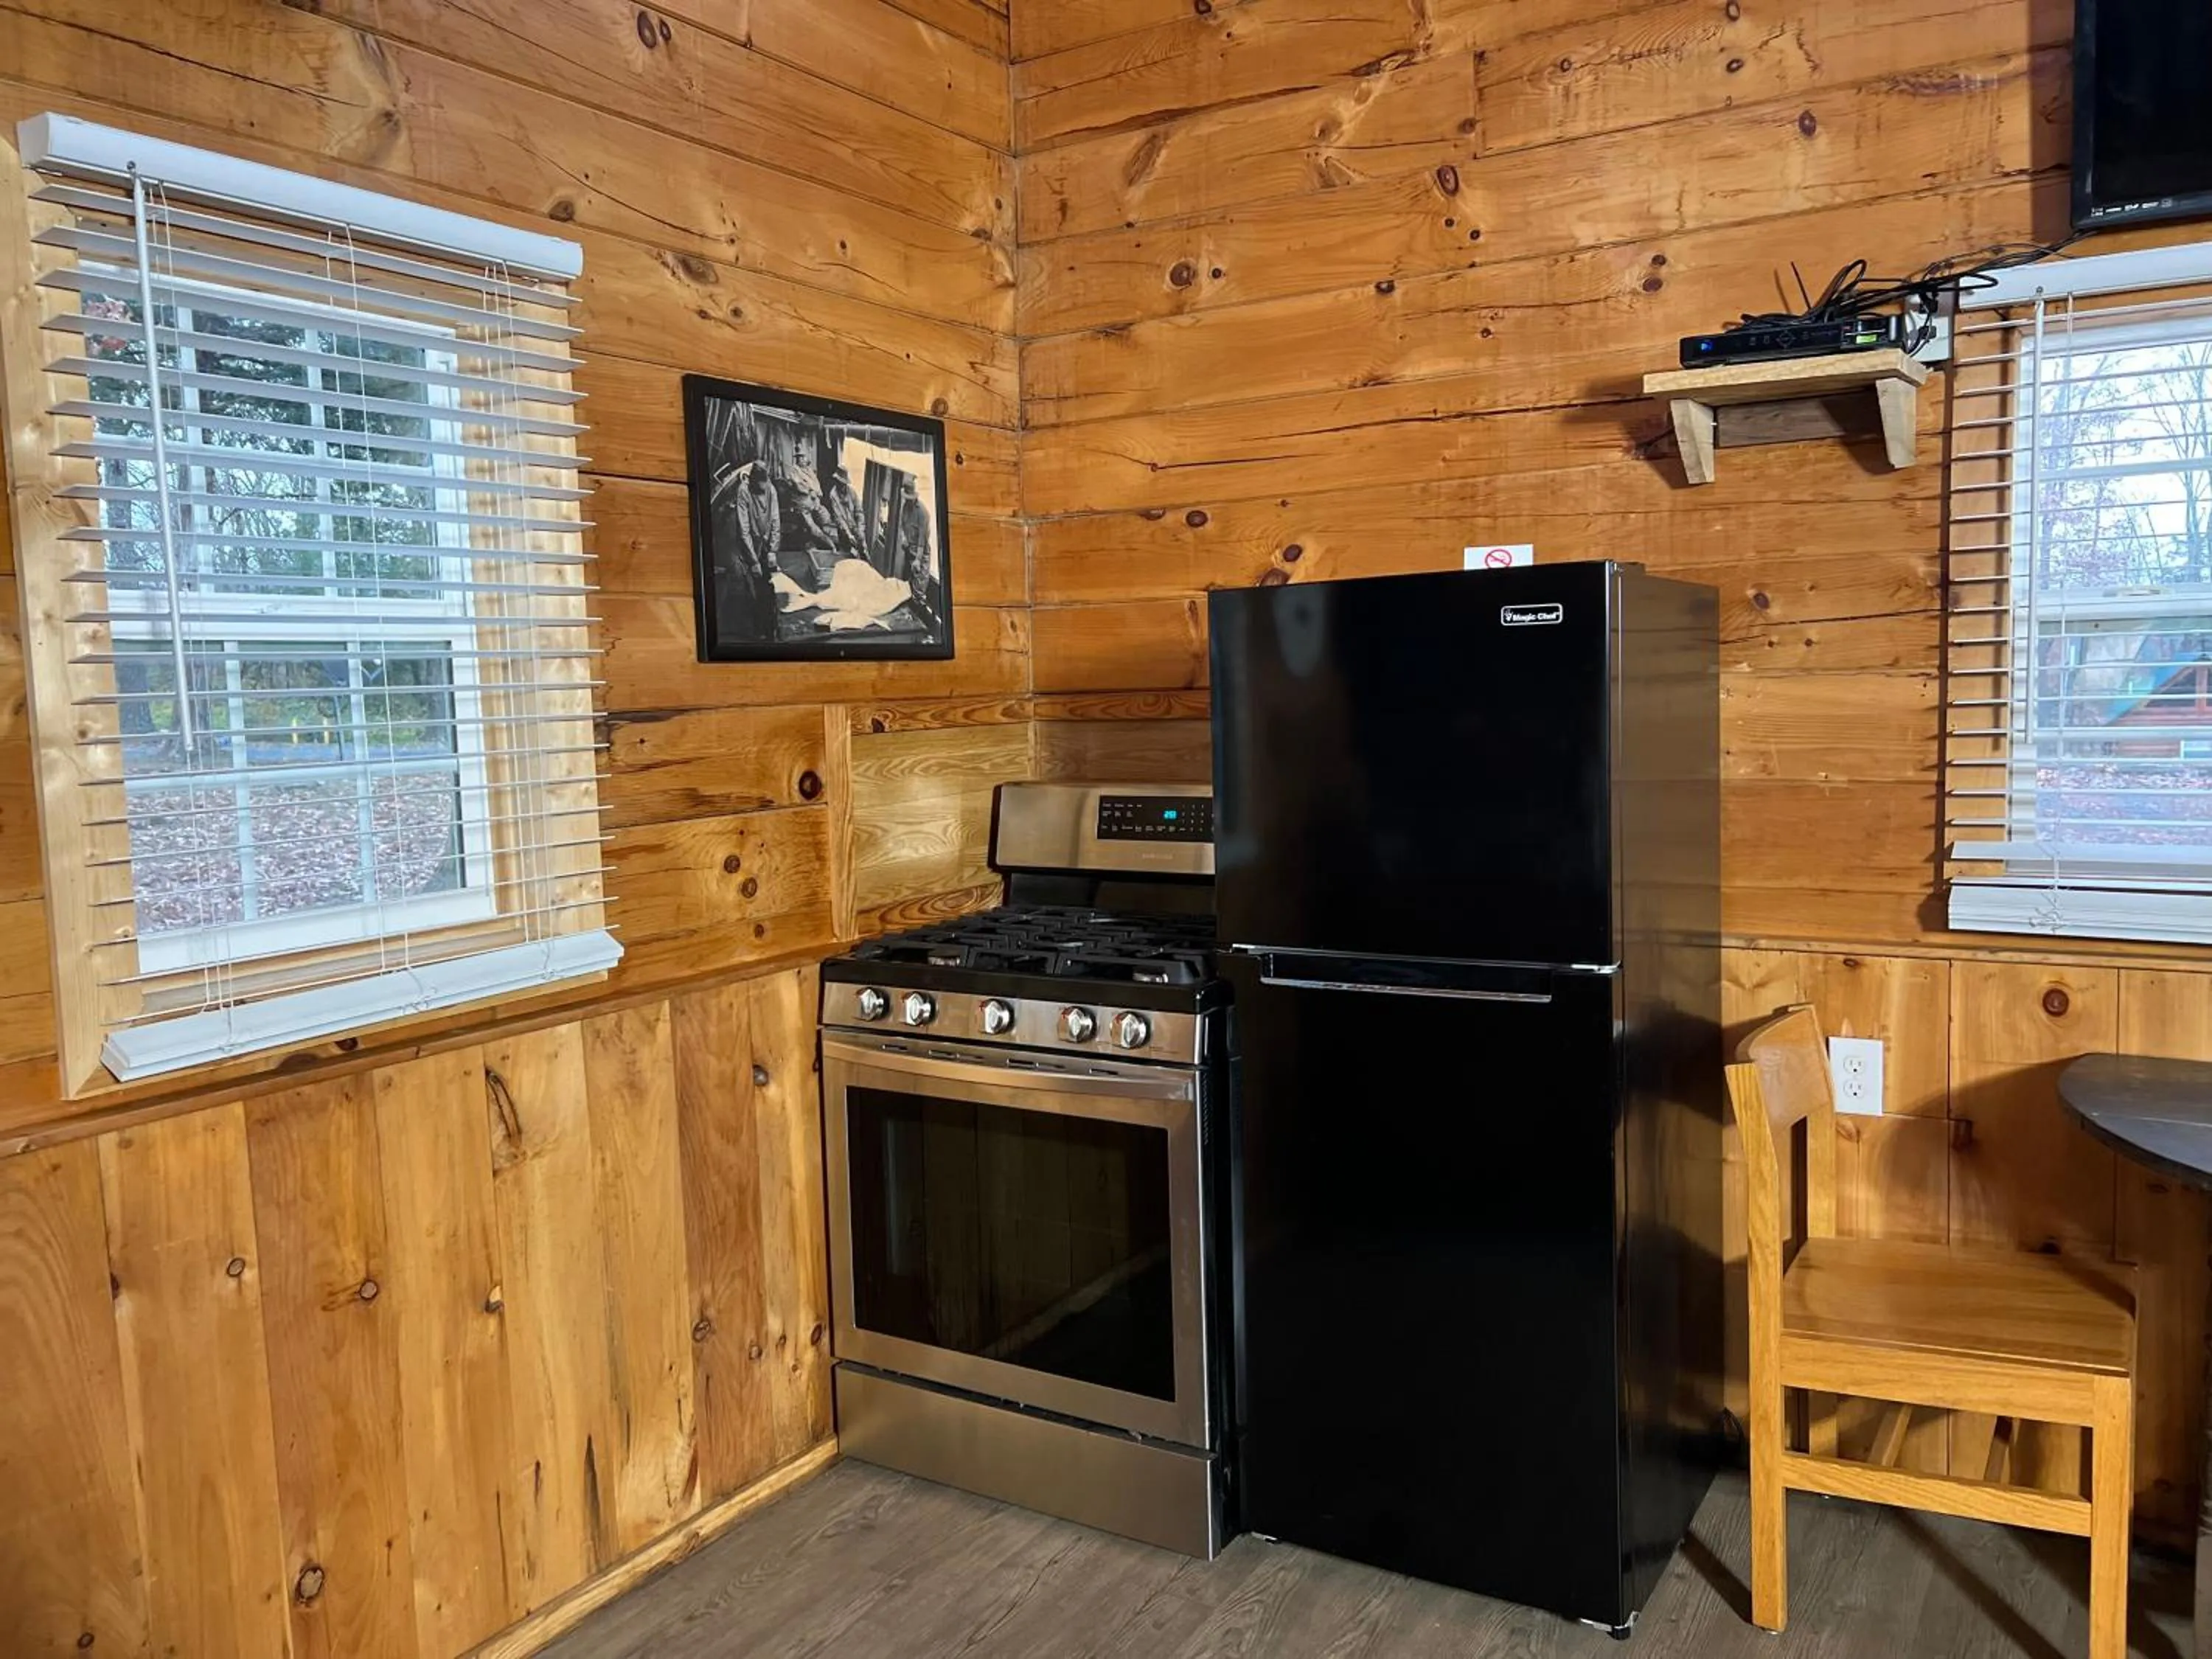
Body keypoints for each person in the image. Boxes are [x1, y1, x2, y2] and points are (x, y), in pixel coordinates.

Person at [824, 465, 864, 555]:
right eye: (839, 482)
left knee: (862, 549)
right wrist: (849, 534)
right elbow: (839, 518)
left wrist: (860, 529)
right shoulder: (833, 495)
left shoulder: (852, 492)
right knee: (845, 551)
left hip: (855, 525)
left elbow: (859, 511)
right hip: (843, 528)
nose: (841, 485)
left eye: (843, 483)